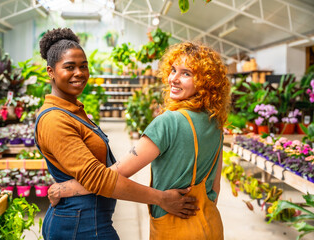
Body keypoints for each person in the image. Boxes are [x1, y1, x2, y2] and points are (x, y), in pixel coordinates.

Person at [48, 41, 231, 239]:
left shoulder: (169, 122)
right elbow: (215, 188)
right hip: (210, 224)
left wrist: (65, 189)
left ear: (206, 82)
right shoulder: (215, 122)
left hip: (176, 227)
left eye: (186, 73)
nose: (173, 79)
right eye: (173, 70)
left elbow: (117, 173)